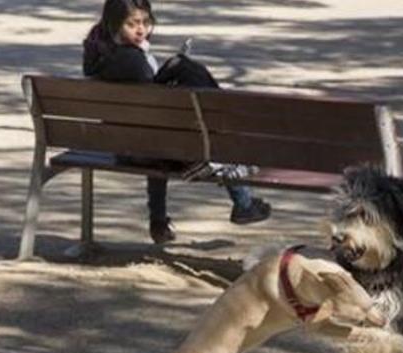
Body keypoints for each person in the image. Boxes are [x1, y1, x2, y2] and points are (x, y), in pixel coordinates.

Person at [82, 0, 271, 244]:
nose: (141, 30)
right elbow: (154, 106)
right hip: (150, 149)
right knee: (198, 96)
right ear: (114, 25)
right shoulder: (133, 61)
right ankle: (243, 203)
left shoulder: (101, 54)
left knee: (164, 124)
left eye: (146, 23)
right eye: (132, 24)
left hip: (128, 146)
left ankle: (159, 222)